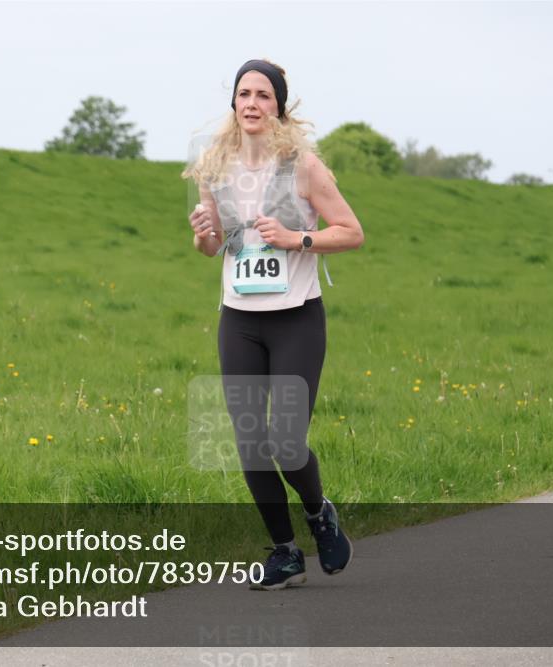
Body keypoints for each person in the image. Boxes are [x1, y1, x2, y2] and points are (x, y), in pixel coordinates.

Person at [181, 58, 364, 590]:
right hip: (239, 319)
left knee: (286, 441)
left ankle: (317, 513)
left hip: (296, 319)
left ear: (278, 107)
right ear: (233, 104)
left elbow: (351, 231)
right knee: (249, 441)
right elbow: (213, 247)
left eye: (263, 95)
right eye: (244, 94)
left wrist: (297, 239)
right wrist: (201, 234)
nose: (252, 103)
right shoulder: (213, 167)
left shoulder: (304, 166)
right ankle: (285, 552)